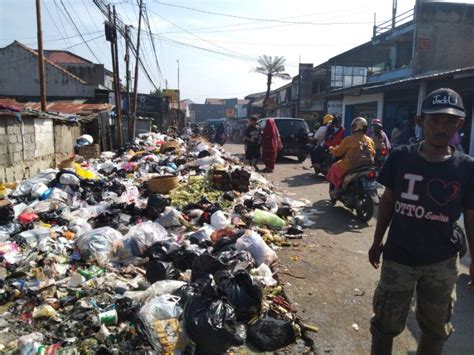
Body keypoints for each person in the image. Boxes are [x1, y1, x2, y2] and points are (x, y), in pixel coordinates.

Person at [368, 88, 474, 355]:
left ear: (459, 124)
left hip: (441, 262)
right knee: (385, 323)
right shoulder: (401, 157)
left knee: (436, 327)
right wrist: (377, 241)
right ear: (420, 121)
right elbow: (388, 201)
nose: (442, 127)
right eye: (435, 120)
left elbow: (471, 215)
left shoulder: (467, 167)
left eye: (450, 121)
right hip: (398, 257)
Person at [326, 117, 375, 196]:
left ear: (357, 127)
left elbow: (338, 152)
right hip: (368, 165)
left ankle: (337, 187)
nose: (352, 128)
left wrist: (331, 149)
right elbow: (374, 153)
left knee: (334, 166)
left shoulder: (349, 139)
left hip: (351, 165)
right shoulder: (370, 140)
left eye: (353, 126)